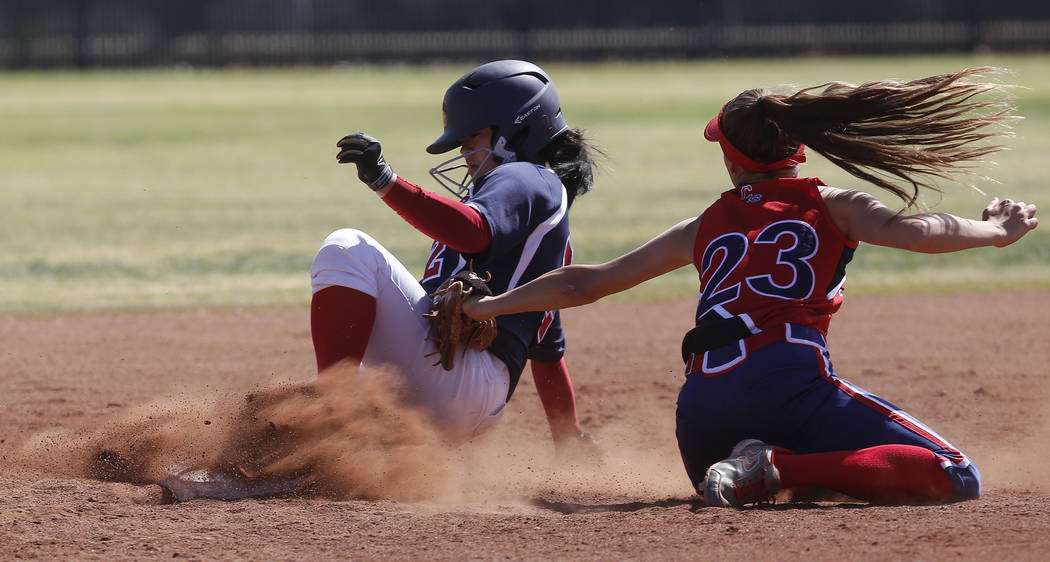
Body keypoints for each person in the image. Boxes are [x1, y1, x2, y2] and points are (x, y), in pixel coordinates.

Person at [463, 67, 1038, 508]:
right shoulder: (830, 204)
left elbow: (584, 284)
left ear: (732, 162)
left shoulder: (703, 225)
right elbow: (918, 233)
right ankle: (778, 469)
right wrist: (995, 230)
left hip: (701, 422)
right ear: (799, 150)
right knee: (956, 473)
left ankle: (755, 468)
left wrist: (488, 302)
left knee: (821, 467)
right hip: (786, 379)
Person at [311, 59, 599, 447]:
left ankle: (333, 418)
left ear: (513, 130)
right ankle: (357, 444)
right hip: (465, 394)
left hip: (463, 374)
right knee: (298, 409)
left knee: (347, 249)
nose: (464, 152)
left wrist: (385, 181)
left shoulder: (528, 176)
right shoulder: (535, 210)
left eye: (472, 138)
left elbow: (474, 232)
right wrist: (569, 438)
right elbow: (547, 352)